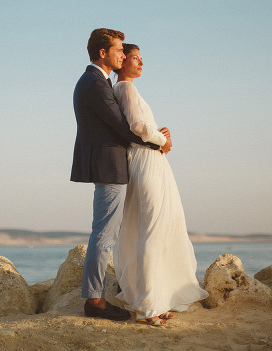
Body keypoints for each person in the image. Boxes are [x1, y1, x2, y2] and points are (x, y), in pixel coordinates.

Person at [70, 28, 170, 321]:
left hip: (109, 164)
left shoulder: (94, 82)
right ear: (103, 53)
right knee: (104, 235)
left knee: (105, 233)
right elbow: (122, 127)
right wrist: (161, 141)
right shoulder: (95, 84)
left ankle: (98, 297)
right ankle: (95, 301)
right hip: (109, 166)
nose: (123, 56)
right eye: (119, 50)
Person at [112, 43, 208, 326]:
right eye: (135, 58)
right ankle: (148, 305)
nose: (141, 63)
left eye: (142, 59)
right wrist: (162, 139)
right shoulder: (125, 88)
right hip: (145, 160)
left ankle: (156, 299)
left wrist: (159, 136)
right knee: (152, 229)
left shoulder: (129, 89)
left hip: (152, 159)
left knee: (161, 227)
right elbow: (137, 127)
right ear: (122, 61)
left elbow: (144, 127)